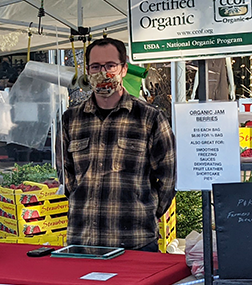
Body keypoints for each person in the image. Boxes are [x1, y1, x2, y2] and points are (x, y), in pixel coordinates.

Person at [61, 38, 176, 251]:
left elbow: (168, 177)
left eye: (110, 66)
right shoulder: (71, 120)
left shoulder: (149, 118)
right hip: (82, 243)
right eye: (95, 66)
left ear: (124, 69)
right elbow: (66, 174)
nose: (102, 72)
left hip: (135, 241)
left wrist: (147, 211)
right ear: (87, 71)